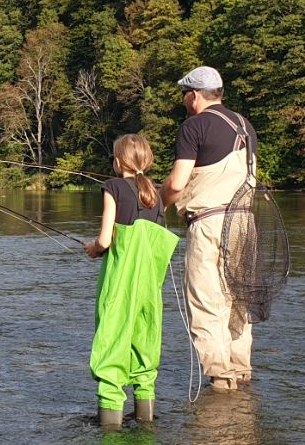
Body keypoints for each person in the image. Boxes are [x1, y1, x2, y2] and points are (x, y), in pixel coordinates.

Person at [160, 66, 258, 391]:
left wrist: (156, 204)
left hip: (210, 223)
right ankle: (241, 375)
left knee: (206, 303)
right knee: (239, 301)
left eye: (184, 95)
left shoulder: (193, 126)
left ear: (195, 95)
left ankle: (221, 383)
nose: (184, 101)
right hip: (246, 222)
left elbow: (176, 182)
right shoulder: (246, 125)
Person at [84, 134, 180, 429]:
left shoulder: (112, 187)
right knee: (144, 346)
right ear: (147, 161)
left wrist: (93, 249)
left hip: (120, 283)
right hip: (149, 288)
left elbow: (104, 239)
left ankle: (111, 426)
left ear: (117, 161)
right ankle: (145, 419)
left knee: (111, 344)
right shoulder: (157, 194)